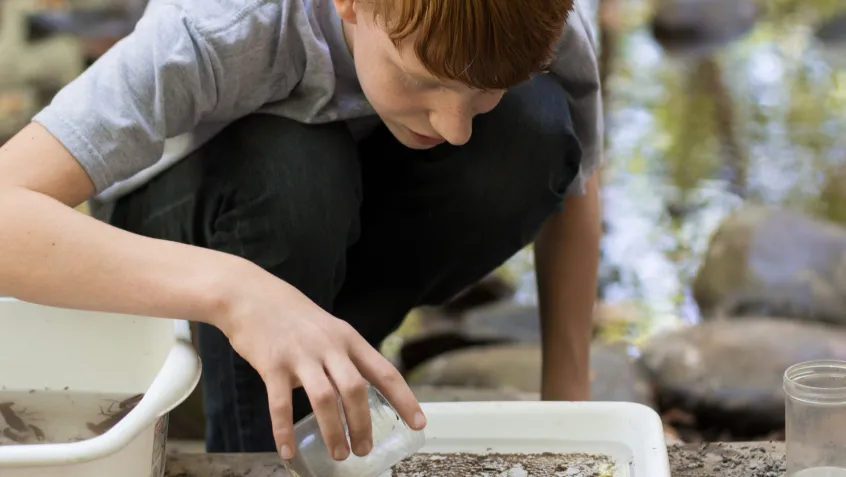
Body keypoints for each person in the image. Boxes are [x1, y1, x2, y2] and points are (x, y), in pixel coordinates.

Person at [0, 0, 602, 463]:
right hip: (187, 234)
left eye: (483, 92)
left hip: (338, 232)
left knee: (534, 137)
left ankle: (329, 367)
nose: (455, 126)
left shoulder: (542, 15)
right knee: (293, 168)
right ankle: (253, 445)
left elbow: (578, 179)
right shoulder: (223, 25)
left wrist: (569, 407)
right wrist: (233, 290)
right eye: (421, 79)